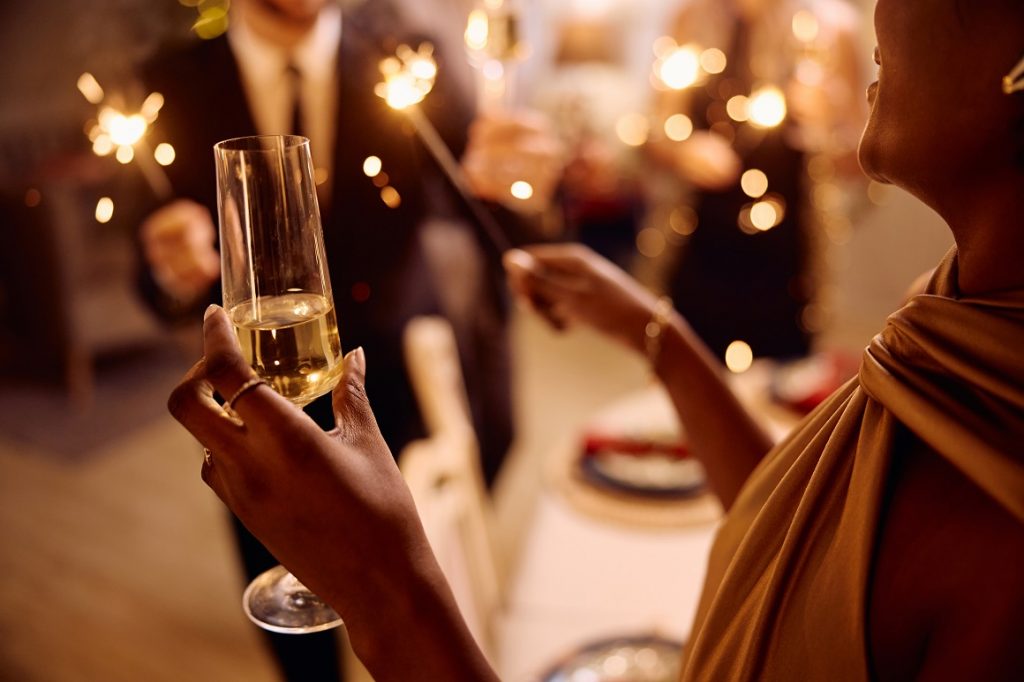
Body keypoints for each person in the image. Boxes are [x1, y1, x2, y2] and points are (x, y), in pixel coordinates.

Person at [167, 0, 1024, 679]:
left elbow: (493, 197)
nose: (879, 8)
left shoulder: (999, 530)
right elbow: (801, 519)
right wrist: (654, 334)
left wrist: (388, 593)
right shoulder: (955, 314)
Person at [136, 0, 561, 679]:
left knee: (418, 605)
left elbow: (489, 202)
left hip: (393, 381)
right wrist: (169, 270)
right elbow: (154, 267)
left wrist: (524, 187)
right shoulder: (170, 83)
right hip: (254, 401)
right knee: (291, 615)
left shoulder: (409, 53)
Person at [647, 0, 865, 359]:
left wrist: (828, 124)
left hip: (787, 260)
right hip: (698, 246)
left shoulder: (830, 27)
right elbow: (654, 134)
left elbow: (861, 158)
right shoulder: (692, 18)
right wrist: (682, 151)